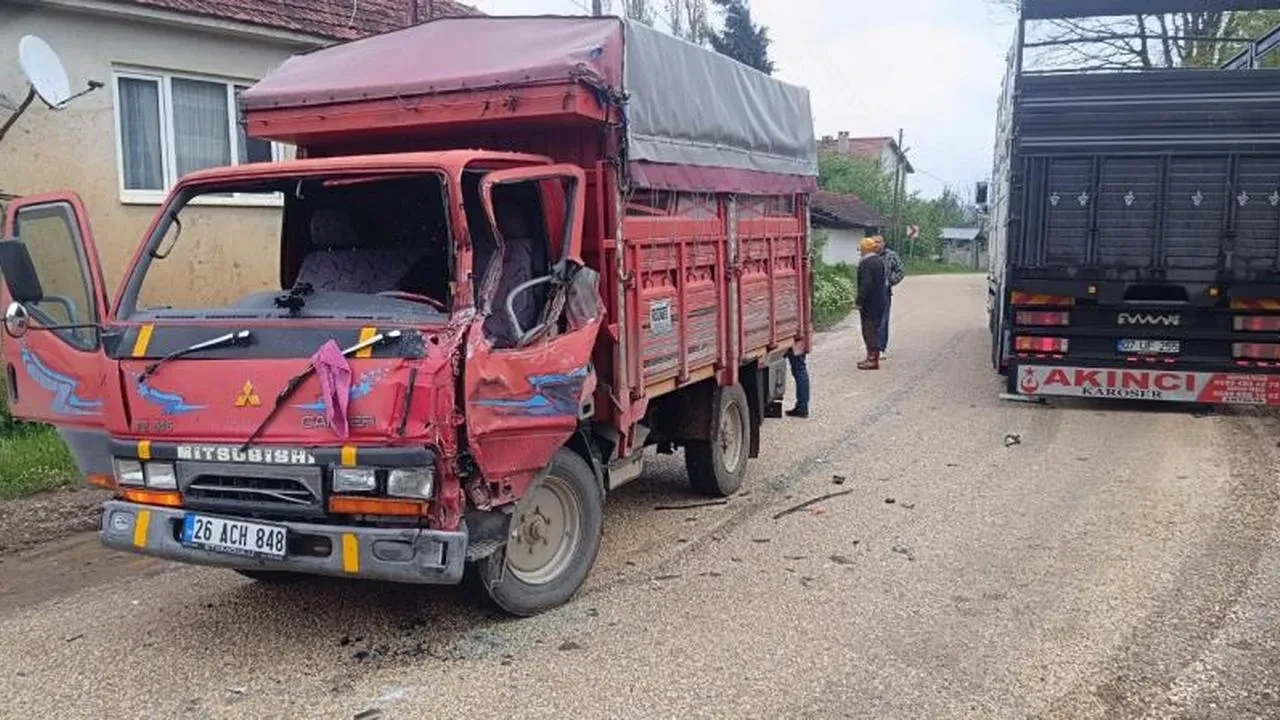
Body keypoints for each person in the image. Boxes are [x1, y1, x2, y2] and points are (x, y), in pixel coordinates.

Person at [856, 236, 887, 370]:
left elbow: (866, 284)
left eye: (861, 249)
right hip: (880, 300)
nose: (860, 252)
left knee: (869, 331)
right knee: (875, 328)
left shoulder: (866, 263)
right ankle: (872, 357)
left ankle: (872, 360)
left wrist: (859, 300)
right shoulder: (879, 261)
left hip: (870, 303)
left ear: (864, 249)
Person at [875, 235, 904, 360]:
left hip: (884, 292)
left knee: (883, 320)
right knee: (870, 322)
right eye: (874, 242)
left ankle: (880, 348)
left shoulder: (891, 255)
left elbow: (900, 271)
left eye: (879, 242)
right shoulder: (868, 255)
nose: (877, 244)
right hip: (869, 293)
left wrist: (890, 281)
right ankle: (871, 347)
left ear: (884, 243)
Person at [785, 349, 809, 418]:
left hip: (796, 343)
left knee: (799, 370)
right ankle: (802, 407)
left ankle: (802, 407)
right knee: (800, 369)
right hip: (799, 342)